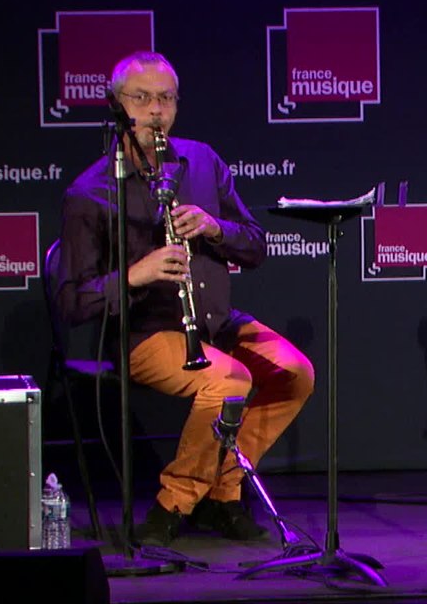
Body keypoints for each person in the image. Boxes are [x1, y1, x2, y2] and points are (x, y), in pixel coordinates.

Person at [57, 51, 315, 547]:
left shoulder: (202, 161)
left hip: (215, 322)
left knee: (293, 372)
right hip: (144, 331)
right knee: (231, 380)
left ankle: (224, 491)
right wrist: (136, 273)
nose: (156, 111)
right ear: (117, 106)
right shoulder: (88, 193)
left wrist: (217, 228)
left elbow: (256, 244)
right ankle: (172, 506)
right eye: (142, 98)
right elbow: (71, 302)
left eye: (166, 99)